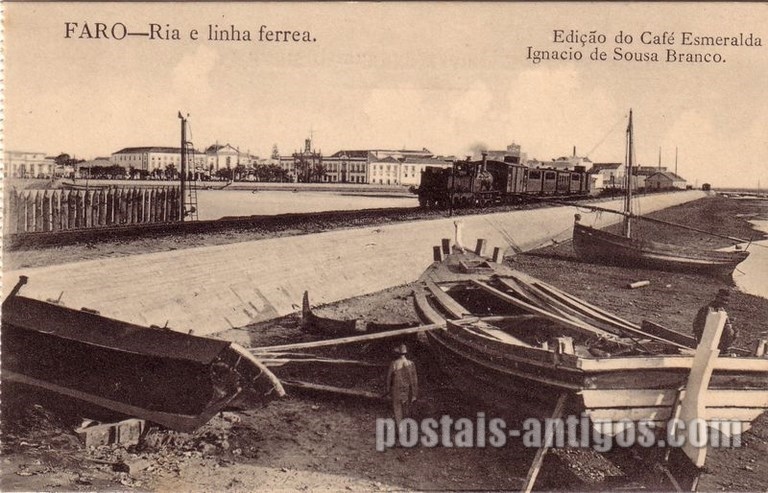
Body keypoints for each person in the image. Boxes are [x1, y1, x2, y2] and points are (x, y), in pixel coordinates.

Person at [384, 344, 418, 425]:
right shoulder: (411, 364)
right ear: (405, 353)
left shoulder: (394, 363)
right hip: (407, 390)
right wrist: (414, 394)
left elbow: (388, 378)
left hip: (396, 390)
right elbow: (414, 380)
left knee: (397, 410)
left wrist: (388, 390)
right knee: (406, 411)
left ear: (398, 353)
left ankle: (400, 430)